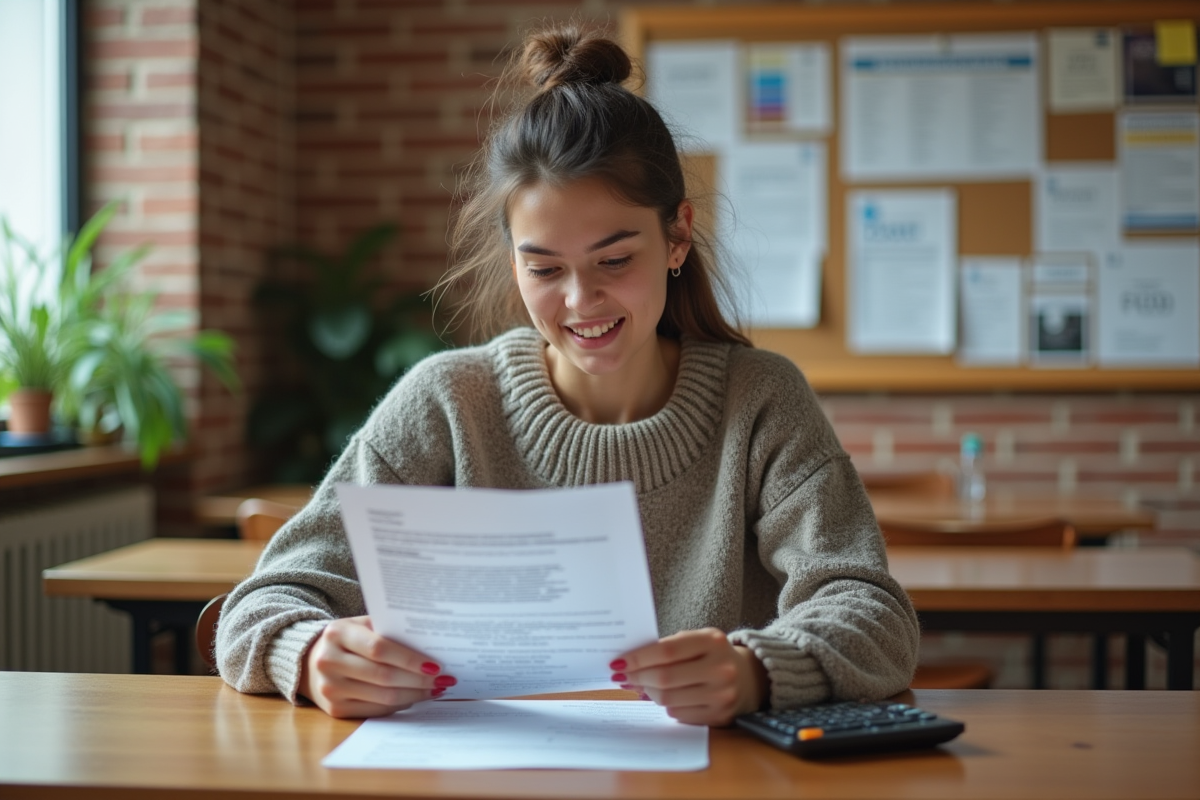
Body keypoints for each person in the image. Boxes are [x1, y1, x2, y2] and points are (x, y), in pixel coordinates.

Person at [216, 24, 918, 727]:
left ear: (677, 236)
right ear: (513, 259)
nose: (581, 303)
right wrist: (308, 654)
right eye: (545, 268)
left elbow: (876, 617)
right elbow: (259, 605)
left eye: (615, 261)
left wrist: (758, 670)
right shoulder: (447, 402)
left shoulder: (761, 401)